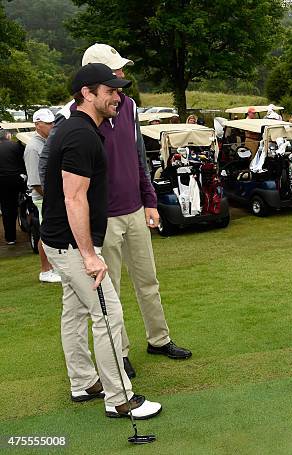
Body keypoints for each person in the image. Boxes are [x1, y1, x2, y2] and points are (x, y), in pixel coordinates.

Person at [40, 43, 192, 379]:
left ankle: (159, 339)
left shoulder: (129, 106)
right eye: (114, 73)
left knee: (148, 281)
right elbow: (49, 166)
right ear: (92, 82)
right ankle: (119, 354)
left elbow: (139, 156)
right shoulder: (71, 116)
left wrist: (149, 199)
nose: (122, 77)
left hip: (135, 209)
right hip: (100, 218)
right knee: (112, 291)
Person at [41, 63, 162, 419]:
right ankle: (120, 398)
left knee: (75, 311)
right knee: (108, 313)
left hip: (61, 241)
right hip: (71, 244)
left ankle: (82, 381)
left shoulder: (81, 129)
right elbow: (73, 198)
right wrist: (89, 255)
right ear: (87, 94)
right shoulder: (80, 135)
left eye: (118, 90)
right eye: (109, 91)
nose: (118, 96)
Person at [23, 108, 61, 282]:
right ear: (37, 125)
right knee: (46, 234)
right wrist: (51, 199)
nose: (52, 126)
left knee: (52, 232)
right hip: (42, 198)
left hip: (51, 195)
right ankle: (45, 271)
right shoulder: (32, 147)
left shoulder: (48, 142)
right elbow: (35, 181)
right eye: (48, 124)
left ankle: (54, 268)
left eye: (53, 123)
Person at [0, 127, 25, 245]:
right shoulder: (16, 146)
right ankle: (13, 235)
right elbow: (23, 162)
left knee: (6, 208)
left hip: (3, 181)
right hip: (16, 180)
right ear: (8, 136)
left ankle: (10, 237)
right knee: (13, 207)